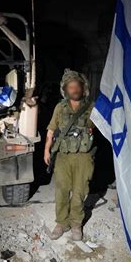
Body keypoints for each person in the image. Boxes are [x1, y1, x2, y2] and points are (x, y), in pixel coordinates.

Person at [44, 69, 95, 241]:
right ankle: (61, 223)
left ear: (83, 88)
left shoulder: (91, 107)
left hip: (83, 157)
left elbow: (104, 126)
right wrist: (46, 150)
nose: (74, 89)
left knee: (80, 192)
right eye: (70, 87)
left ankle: (76, 224)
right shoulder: (60, 107)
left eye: (77, 86)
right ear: (65, 90)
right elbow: (51, 130)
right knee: (61, 191)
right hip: (63, 157)